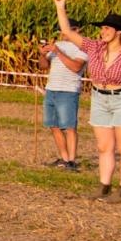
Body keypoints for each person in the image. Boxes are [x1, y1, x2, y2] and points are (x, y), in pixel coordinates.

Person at [55, 0, 121, 202]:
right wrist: (60, 8)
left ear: (119, 32)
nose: (102, 31)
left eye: (106, 28)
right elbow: (67, 32)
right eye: (102, 28)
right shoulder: (94, 47)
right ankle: (104, 187)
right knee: (104, 147)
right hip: (99, 99)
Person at [40, 35, 86, 169]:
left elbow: (76, 67)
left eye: (67, 30)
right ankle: (64, 159)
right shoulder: (58, 45)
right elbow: (43, 66)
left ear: (76, 31)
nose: (63, 33)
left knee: (69, 127)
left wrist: (58, 52)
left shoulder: (82, 47)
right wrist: (42, 54)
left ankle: (71, 161)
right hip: (51, 89)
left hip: (68, 91)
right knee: (53, 125)